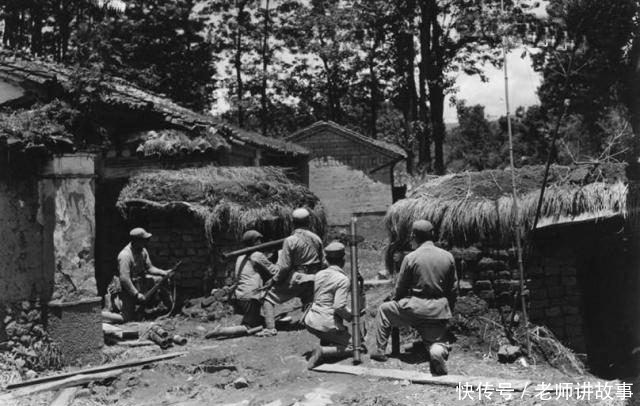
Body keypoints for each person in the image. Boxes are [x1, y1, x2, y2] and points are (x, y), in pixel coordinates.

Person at [369, 220, 458, 376]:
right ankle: (436, 352)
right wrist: (446, 308)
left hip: (414, 308)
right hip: (437, 311)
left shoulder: (411, 258)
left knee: (384, 310)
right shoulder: (448, 257)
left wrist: (395, 300)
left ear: (415, 237)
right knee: (436, 343)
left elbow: (400, 287)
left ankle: (379, 350)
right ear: (432, 235)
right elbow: (453, 289)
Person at [262, 208, 328, 334]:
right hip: (314, 278)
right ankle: (309, 323)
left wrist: (274, 280)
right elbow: (323, 262)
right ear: (309, 222)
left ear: (293, 222)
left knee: (268, 298)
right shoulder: (316, 238)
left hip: (298, 277)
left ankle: (270, 329)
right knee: (309, 299)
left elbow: (285, 266)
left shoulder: (290, 240)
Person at [208, 230, 279, 339]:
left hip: (240, 296)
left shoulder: (240, 257)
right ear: (254, 242)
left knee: (255, 320)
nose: (261, 242)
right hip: (251, 296)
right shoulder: (257, 255)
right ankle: (221, 331)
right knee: (250, 326)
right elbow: (274, 271)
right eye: (258, 240)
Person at [304, 241, 354, 368]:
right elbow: (339, 307)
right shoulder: (342, 279)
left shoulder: (319, 274)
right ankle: (323, 351)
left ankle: (326, 342)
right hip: (325, 323)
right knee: (356, 346)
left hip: (310, 320)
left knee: (335, 328)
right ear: (343, 260)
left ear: (326, 259)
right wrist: (351, 316)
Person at [106, 227, 172, 322]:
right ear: (136, 241)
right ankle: (100, 315)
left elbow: (150, 268)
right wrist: (136, 294)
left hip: (141, 282)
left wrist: (164, 273)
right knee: (126, 318)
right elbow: (125, 279)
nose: (147, 242)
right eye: (144, 240)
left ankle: (169, 308)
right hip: (128, 289)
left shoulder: (143, 250)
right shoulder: (125, 256)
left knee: (160, 280)